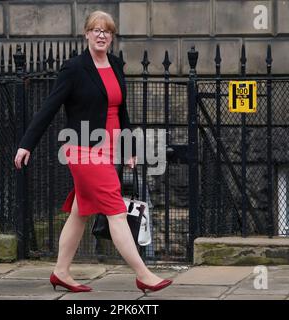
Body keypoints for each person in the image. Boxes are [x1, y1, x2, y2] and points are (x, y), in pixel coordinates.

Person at [14, 10, 172, 293]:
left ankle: (61, 271)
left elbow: (122, 110)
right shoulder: (74, 68)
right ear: (86, 34)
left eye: (107, 31)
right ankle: (143, 274)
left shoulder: (115, 64)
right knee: (116, 210)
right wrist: (27, 143)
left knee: (79, 213)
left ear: (111, 37)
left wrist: (130, 148)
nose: (101, 35)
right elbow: (49, 107)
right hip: (82, 149)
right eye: (96, 30)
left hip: (110, 148)